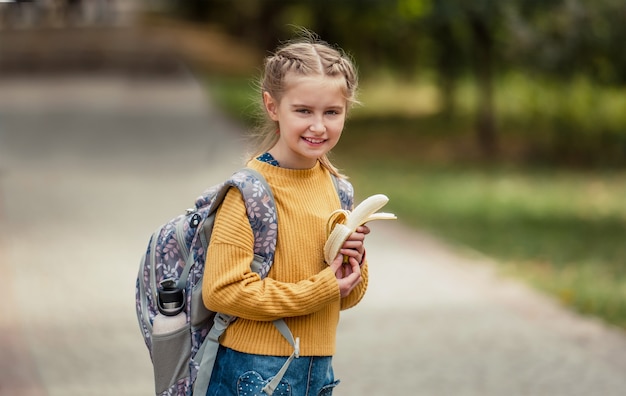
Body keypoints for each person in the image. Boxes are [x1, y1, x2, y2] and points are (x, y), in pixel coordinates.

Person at [202, 30, 370, 396]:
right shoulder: (250, 191)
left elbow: (344, 298)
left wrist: (351, 264)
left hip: (318, 369)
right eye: (303, 111)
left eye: (332, 112)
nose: (318, 126)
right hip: (253, 369)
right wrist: (323, 286)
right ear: (272, 106)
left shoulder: (338, 188)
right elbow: (222, 292)